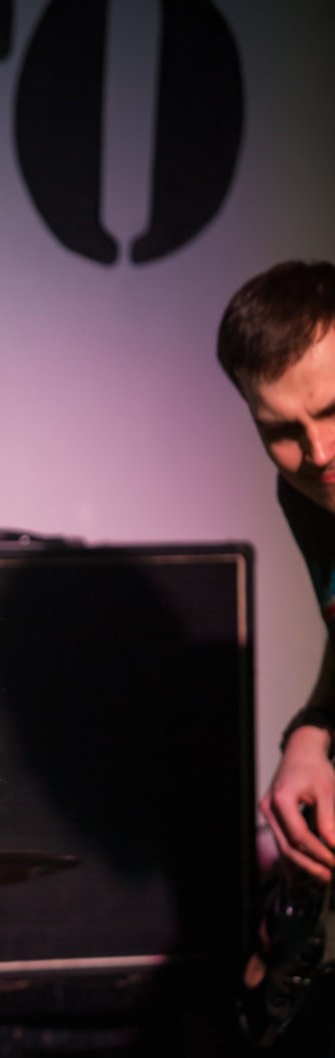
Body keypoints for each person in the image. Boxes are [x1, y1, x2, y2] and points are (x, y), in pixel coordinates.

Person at [218, 261, 335, 880]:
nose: (318, 453)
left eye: (333, 410)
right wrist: (311, 732)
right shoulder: (307, 493)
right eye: (282, 431)